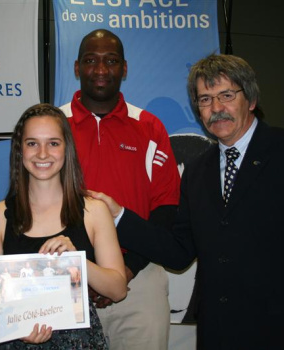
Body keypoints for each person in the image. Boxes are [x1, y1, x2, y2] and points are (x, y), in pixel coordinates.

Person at [100, 54, 284, 349]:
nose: (216, 109)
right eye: (205, 100)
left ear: (250, 99)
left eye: (226, 95)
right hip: (219, 332)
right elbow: (178, 252)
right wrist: (118, 215)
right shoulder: (197, 171)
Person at [59, 29, 181, 349]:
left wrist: (126, 270)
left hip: (138, 280)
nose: (101, 69)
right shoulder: (51, 124)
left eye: (111, 61)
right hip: (64, 282)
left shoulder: (150, 126)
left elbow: (165, 209)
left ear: (124, 69)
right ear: (76, 68)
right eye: (91, 61)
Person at [0, 103, 127, 348]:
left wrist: (76, 261)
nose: (42, 153)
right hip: (18, 339)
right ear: (19, 150)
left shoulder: (94, 211)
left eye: (53, 143)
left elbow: (118, 289)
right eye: (32, 143)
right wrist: (18, 324)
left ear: (67, 149)